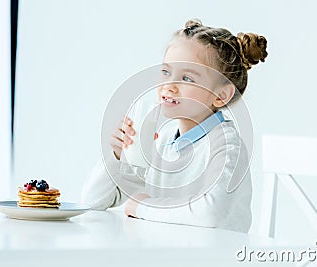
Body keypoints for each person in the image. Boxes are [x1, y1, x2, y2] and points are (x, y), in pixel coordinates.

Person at [81, 19, 268, 233]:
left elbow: (210, 213)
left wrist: (143, 206)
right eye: (166, 73)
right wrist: (116, 156)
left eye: (187, 78)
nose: (169, 86)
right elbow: (93, 201)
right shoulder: (163, 140)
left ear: (221, 95)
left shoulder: (226, 146)